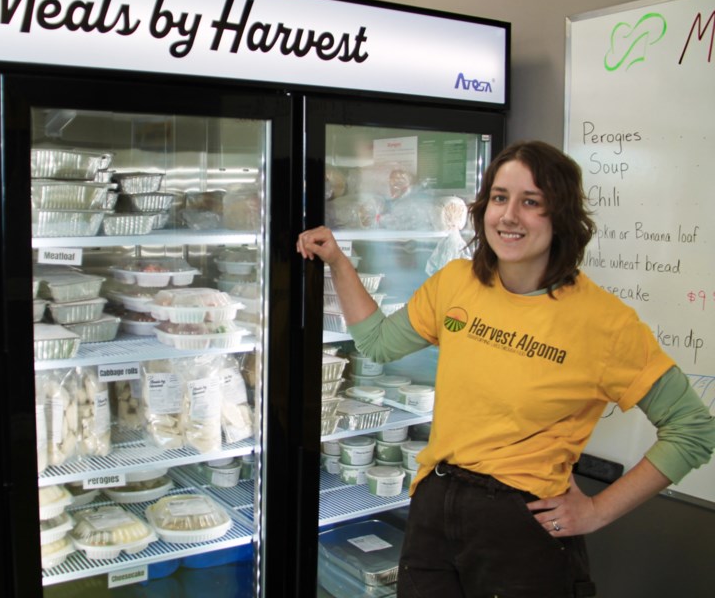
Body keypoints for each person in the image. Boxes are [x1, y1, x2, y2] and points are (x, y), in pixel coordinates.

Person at [296, 140, 715, 598]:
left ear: (562, 217)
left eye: (531, 202)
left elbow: (693, 429)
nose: (509, 215)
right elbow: (377, 343)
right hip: (436, 507)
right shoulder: (456, 283)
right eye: (499, 198)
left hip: (522, 525)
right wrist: (336, 260)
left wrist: (597, 511)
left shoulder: (605, 323)